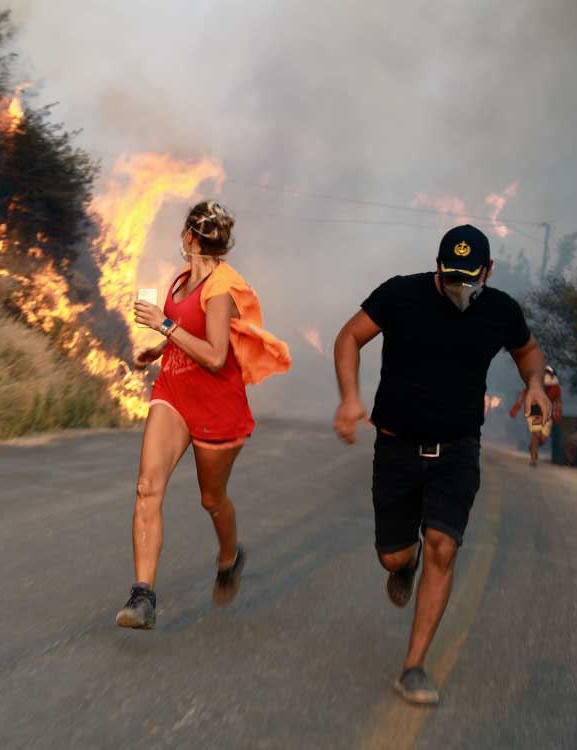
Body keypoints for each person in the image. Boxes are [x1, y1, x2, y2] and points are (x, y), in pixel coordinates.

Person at [332, 223, 550, 706]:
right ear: (437, 267)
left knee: (443, 547)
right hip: (396, 448)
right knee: (394, 556)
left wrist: (534, 383)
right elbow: (349, 337)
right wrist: (349, 397)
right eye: (450, 276)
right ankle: (403, 565)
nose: (458, 286)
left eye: (468, 278)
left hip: (457, 450)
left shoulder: (501, 310)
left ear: (487, 271)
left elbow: (529, 351)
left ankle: (413, 666)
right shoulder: (400, 294)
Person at [117, 200, 291, 629]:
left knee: (211, 499)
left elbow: (214, 356)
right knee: (147, 487)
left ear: (188, 237)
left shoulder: (221, 289)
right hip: (174, 391)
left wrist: (163, 326)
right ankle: (142, 597)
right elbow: (186, 330)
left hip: (217, 406)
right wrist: (157, 349)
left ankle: (230, 557)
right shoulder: (182, 280)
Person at [507, 364, 564, 467]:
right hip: (535, 410)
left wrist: (558, 411)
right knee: (536, 435)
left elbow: (558, 401)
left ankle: (533, 447)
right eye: (545, 373)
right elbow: (522, 396)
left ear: (553, 376)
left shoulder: (556, 388)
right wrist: (516, 408)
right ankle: (533, 460)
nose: (547, 375)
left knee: (543, 439)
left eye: (549, 373)